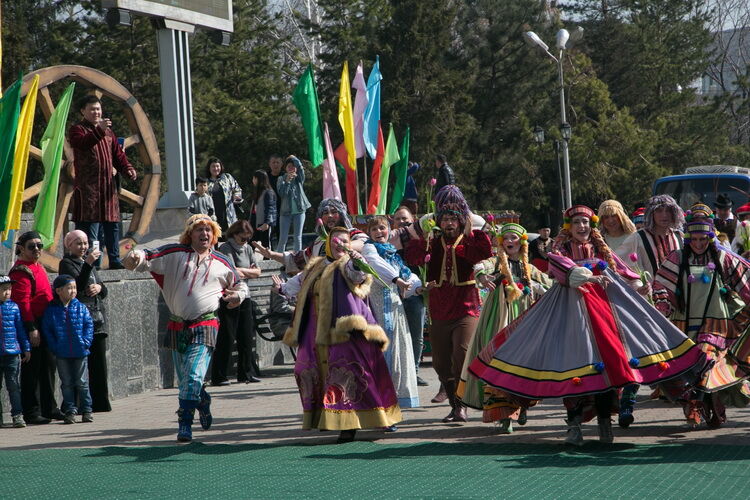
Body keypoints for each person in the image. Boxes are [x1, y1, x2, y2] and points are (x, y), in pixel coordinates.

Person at [467, 205, 706, 446]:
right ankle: (574, 424)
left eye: (586, 222)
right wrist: (590, 277)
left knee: (608, 364)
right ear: (569, 227)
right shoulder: (560, 249)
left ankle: (604, 420)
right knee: (574, 365)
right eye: (578, 222)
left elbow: (621, 272)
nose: (582, 227)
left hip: (604, 314)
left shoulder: (601, 250)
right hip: (571, 312)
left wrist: (637, 288)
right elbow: (563, 271)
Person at [122, 214, 247, 442]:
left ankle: (185, 425)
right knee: (187, 381)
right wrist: (135, 256)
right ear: (190, 234)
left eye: (208, 230)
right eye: (199, 230)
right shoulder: (175, 253)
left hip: (206, 324)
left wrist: (238, 295)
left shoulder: (222, 261)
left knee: (192, 376)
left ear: (214, 235)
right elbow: (146, 257)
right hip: (177, 325)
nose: (204, 234)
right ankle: (202, 400)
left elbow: (239, 284)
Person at [275, 227, 401, 443]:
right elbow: (296, 286)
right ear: (328, 243)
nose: (340, 243)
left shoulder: (349, 264)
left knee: (346, 373)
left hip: (344, 332)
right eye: (336, 239)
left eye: (345, 240)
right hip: (314, 332)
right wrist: (282, 288)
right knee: (309, 372)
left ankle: (350, 425)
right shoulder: (315, 266)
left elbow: (358, 275)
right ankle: (327, 418)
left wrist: (358, 261)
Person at [405, 185, 493, 423]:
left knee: (462, 353)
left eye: (454, 219)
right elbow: (411, 257)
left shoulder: (471, 239)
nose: (449, 223)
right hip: (438, 308)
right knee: (441, 361)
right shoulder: (431, 242)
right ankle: (454, 404)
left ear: (462, 220)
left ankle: (462, 406)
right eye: (444, 219)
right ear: (438, 222)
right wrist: (417, 239)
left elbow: (484, 255)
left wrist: (473, 232)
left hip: (466, 306)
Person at [653, 218, 750, 428]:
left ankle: (703, 405)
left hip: (715, 323)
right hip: (683, 325)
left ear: (710, 238)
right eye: (694, 239)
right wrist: (662, 307)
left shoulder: (722, 257)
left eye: (703, 239)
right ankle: (702, 406)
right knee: (687, 369)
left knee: (707, 362)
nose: (698, 244)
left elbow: (745, 283)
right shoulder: (677, 258)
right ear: (688, 239)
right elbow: (662, 286)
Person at [457, 223, 551, 434]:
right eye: (506, 238)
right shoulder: (497, 262)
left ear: (522, 242)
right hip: (500, 319)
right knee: (499, 362)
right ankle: (505, 415)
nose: (510, 241)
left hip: (524, 321)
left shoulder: (530, 268)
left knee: (524, 362)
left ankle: (523, 404)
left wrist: (541, 287)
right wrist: (482, 277)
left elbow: (549, 284)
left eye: (514, 238)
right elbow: (481, 266)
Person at [362, 216, 425, 414]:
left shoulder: (393, 253)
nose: (379, 232)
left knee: (399, 354)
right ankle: (381, 403)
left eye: (382, 228)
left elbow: (408, 275)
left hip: (395, 309)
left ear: (389, 230)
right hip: (378, 310)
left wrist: (419, 286)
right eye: (374, 229)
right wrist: (397, 279)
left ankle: (394, 401)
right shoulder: (369, 248)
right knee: (382, 354)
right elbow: (375, 265)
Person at [69, 95, 138, 270]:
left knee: (112, 226)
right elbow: (83, 144)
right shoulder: (77, 130)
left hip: (107, 188)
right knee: (91, 230)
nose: (96, 112)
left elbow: (118, 155)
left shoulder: (108, 132)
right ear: (83, 111)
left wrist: (127, 168)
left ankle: (114, 259)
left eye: (98, 109)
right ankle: (94, 262)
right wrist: (99, 130)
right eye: (92, 109)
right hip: (88, 190)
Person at [9, 231, 60, 425]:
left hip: (44, 322)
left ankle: (49, 408)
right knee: (32, 369)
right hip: (32, 324)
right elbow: (23, 303)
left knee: (48, 366)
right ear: (21, 249)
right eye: (32, 246)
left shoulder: (37, 266)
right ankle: (31, 411)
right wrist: (31, 328)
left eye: (40, 245)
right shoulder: (21, 270)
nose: (37, 249)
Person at [58, 229, 111, 412]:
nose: (83, 247)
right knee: (78, 367)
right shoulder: (66, 263)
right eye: (78, 243)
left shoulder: (89, 263)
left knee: (99, 365)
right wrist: (88, 264)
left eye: (85, 243)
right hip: (79, 322)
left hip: (97, 319)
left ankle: (100, 403)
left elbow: (103, 290)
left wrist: (99, 287)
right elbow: (76, 287)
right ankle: (74, 405)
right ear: (69, 245)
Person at [255, 198, 367, 273]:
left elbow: (364, 244)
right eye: (325, 213)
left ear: (342, 215)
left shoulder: (351, 233)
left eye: (334, 212)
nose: (329, 216)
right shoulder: (319, 242)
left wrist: (339, 245)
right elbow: (297, 259)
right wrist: (271, 254)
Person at [213, 220, 262, 385]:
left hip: (245, 296)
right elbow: (231, 272)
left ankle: (246, 373)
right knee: (227, 336)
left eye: (248, 238)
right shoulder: (225, 248)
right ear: (234, 235)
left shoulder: (248, 249)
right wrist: (249, 272)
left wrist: (245, 272)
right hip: (229, 297)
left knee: (246, 337)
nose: (245, 242)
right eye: (242, 238)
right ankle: (219, 376)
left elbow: (258, 272)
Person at [42, 275, 94, 424]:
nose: (73, 291)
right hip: (62, 352)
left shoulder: (80, 307)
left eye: (75, 288)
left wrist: (86, 342)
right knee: (66, 383)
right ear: (58, 290)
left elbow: (88, 325)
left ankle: (87, 409)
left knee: (82, 382)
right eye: (69, 288)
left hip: (80, 350)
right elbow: (48, 330)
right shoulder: (52, 310)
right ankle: (70, 410)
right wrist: (55, 346)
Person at [393, 206, 428, 386]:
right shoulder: (389, 241)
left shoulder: (421, 240)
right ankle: (397, 374)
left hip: (416, 295)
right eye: (398, 219)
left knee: (416, 335)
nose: (402, 222)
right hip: (394, 296)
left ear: (413, 219)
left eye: (405, 219)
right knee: (396, 335)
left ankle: (413, 373)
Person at [0, 275, 31, 428]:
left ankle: (17, 415)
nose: (8, 293)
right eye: (4, 290)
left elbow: (20, 329)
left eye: (9, 290)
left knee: (13, 386)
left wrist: (26, 348)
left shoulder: (14, 307)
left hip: (12, 352)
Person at [276, 155, 311, 252]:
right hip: (285, 213)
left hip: (299, 211)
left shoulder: (299, 178)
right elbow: (282, 194)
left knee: (298, 237)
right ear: (285, 168)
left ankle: (297, 259)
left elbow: (300, 167)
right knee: (283, 238)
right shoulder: (281, 179)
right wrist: (287, 181)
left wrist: (294, 158)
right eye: (289, 166)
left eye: (293, 166)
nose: (291, 168)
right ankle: (279, 259)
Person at [206, 157, 243, 234]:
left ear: (221, 167)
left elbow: (237, 189)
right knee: (214, 238)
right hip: (213, 216)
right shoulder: (205, 182)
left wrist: (236, 196)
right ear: (209, 168)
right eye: (213, 166)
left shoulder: (227, 177)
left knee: (231, 239)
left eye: (217, 166)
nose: (216, 168)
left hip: (229, 215)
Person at [250, 170, 277, 250]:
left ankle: (268, 260)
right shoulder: (257, 192)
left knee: (266, 244)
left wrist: (267, 223)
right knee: (251, 242)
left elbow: (270, 209)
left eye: (254, 178)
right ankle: (251, 261)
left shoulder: (268, 192)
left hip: (264, 223)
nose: (253, 180)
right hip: (255, 222)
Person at [266, 154, 285, 248]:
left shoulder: (285, 176)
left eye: (278, 162)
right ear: (269, 164)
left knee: (281, 234)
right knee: (268, 234)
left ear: (281, 164)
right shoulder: (265, 177)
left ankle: (282, 254)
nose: (275, 164)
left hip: (283, 210)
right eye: (273, 162)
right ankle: (268, 254)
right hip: (269, 210)